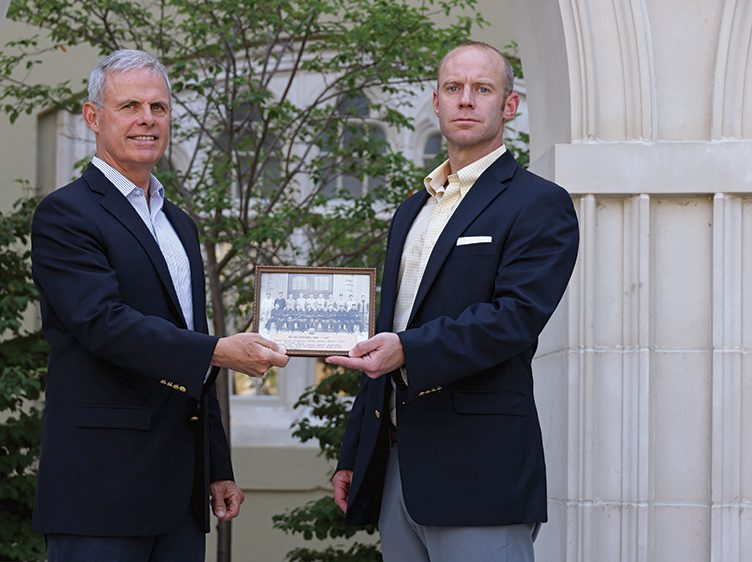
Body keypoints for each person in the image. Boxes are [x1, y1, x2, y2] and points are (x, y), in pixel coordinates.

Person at [30, 49, 289, 562]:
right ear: (93, 116)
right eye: (129, 106)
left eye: (159, 107)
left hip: (179, 495)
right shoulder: (65, 215)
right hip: (100, 492)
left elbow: (191, 343)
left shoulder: (179, 224)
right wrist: (219, 350)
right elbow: (103, 324)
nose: (147, 119)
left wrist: (216, 465)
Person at [327, 41, 579, 562]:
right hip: (399, 468)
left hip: (480, 473)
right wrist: (357, 451)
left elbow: (513, 319)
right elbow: (386, 328)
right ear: (437, 102)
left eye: (482, 89)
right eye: (453, 88)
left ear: (509, 106)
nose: (466, 100)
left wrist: (408, 351)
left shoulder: (538, 204)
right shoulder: (410, 211)